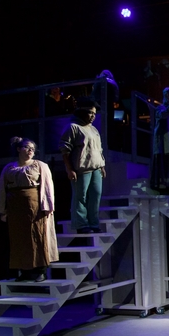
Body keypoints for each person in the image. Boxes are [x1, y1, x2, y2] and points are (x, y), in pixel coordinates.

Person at [0, 137, 58, 282]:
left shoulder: (40, 165)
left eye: (33, 149)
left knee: (37, 235)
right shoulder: (9, 168)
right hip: (15, 207)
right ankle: (24, 271)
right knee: (19, 238)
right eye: (27, 147)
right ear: (19, 149)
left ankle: (40, 271)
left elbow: (48, 186)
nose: (30, 151)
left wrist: (48, 206)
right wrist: (2, 210)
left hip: (34, 206)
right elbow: (2, 189)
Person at [59, 98, 106, 234]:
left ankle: (94, 223)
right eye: (90, 112)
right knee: (81, 197)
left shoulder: (93, 129)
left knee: (96, 195)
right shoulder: (73, 127)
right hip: (81, 168)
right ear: (82, 111)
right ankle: (81, 224)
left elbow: (99, 149)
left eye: (94, 113)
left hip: (95, 167)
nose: (93, 116)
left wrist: (102, 166)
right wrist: (69, 169)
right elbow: (65, 150)